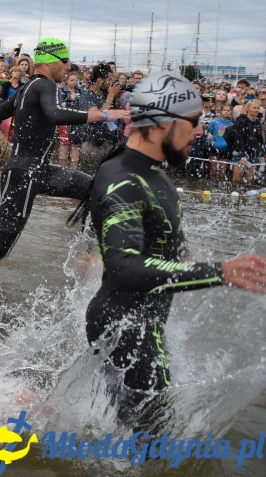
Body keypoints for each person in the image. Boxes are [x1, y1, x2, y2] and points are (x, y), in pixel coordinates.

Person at [84, 72, 266, 420]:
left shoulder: (153, 171)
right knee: (154, 442)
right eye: (195, 121)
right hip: (126, 325)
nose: (201, 130)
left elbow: (155, 233)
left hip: (137, 320)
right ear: (164, 123)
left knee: (133, 431)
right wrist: (220, 272)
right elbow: (124, 266)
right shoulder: (123, 179)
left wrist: (181, 253)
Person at [0, 38, 130, 272]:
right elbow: (54, 113)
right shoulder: (44, 85)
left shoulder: (28, 87)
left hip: (38, 170)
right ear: (50, 61)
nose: (69, 67)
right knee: (0, 246)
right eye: (65, 61)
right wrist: (102, 116)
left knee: (95, 189)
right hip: (23, 174)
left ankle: (86, 252)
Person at [229, 98, 266, 185]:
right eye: (254, 108)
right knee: (237, 178)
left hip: (253, 152)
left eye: (258, 108)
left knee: (249, 179)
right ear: (247, 108)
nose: (256, 110)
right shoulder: (241, 120)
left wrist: (261, 153)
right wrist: (242, 154)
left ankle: (246, 195)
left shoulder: (257, 122)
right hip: (239, 152)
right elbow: (238, 138)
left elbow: (259, 139)